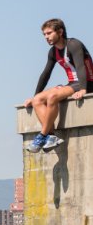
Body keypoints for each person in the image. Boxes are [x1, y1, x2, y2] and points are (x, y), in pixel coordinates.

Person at [24, 18, 93, 152]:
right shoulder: (53, 52)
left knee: (53, 96)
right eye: (44, 34)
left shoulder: (74, 44)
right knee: (38, 100)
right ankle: (51, 136)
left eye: (49, 33)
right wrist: (34, 96)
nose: (46, 37)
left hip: (88, 82)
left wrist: (84, 89)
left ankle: (42, 135)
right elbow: (46, 74)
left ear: (60, 32)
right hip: (73, 83)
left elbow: (80, 67)